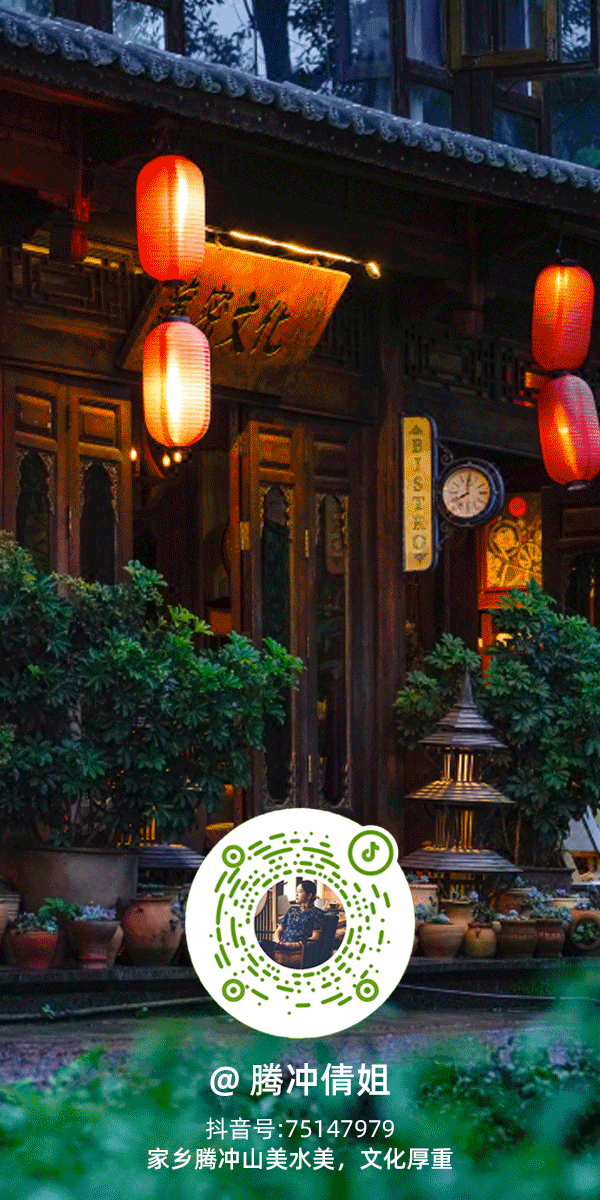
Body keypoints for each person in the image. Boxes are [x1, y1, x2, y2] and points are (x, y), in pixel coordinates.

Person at [259, 880, 324, 966]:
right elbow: (279, 929)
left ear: (309, 895)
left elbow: (315, 937)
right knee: (260, 944)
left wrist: (294, 945)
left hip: (297, 950)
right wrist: (278, 942)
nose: (296, 894)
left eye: (299, 892)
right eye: (296, 891)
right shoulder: (292, 910)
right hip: (281, 946)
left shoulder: (317, 913)